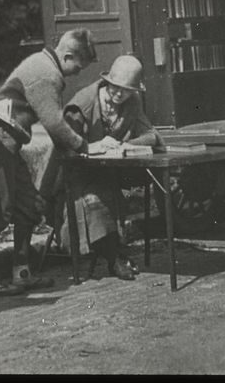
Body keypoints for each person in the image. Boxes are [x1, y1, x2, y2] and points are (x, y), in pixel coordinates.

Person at [0, 29, 97, 296]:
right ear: (67, 55)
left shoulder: (45, 64)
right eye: (78, 66)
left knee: (29, 206)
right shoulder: (47, 73)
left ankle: (22, 273)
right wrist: (84, 146)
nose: (77, 73)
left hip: (9, 142)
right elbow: (54, 123)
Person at [48, 54, 162, 280]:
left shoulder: (132, 103)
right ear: (107, 81)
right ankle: (115, 258)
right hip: (73, 176)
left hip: (106, 172)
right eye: (115, 87)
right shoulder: (81, 106)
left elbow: (152, 136)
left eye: (126, 90)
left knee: (109, 190)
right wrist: (94, 146)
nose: (119, 94)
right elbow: (65, 150)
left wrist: (125, 144)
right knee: (95, 199)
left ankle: (115, 255)